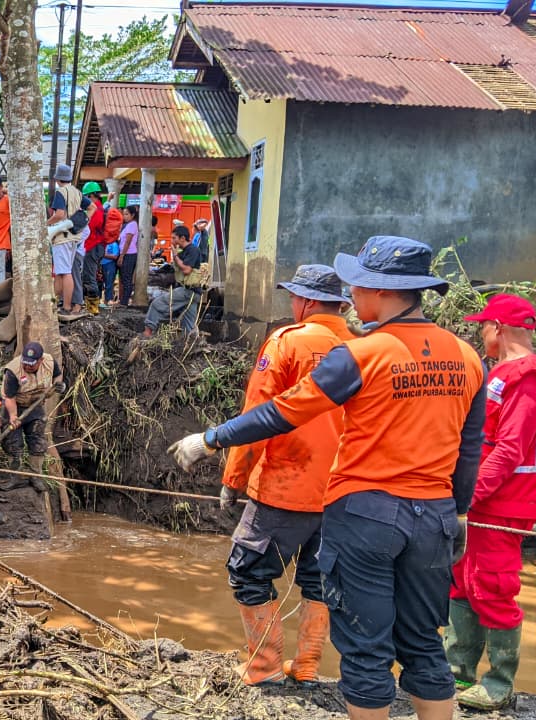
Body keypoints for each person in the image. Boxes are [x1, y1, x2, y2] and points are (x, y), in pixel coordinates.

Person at [169, 236, 486, 720]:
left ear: (379, 290)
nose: (351, 295)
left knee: (366, 650)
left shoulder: (364, 354)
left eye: (357, 285)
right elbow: (468, 448)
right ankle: (310, 664)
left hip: (367, 516)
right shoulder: (465, 356)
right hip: (435, 517)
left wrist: (210, 438)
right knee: (423, 645)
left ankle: (267, 667)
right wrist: (459, 512)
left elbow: (280, 413)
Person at [218, 265, 355, 686]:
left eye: (294, 297)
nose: (291, 305)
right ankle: (309, 666)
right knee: (321, 578)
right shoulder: (364, 348)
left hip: (285, 485)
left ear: (308, 301)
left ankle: (264, 667)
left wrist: (234, 478)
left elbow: (258, 416)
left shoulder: (286, 344)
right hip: (344, 491)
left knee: (248, 571)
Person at [446, 294, 536, 711]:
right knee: (461, 577)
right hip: (485, 498)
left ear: (500, 328)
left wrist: (468, 495)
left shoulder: (526, 376)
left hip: (506, 501)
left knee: (492, 584)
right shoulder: (504, 372)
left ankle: (499, 682)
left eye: (484, 326)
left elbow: (510, 449)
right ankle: (456, 670)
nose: (481, 333)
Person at [0, 342, 64, 491]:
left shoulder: (49, 361)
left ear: (40, 360)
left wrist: (58, 385)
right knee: (12, 443)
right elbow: (9, 398)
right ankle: (14, 477)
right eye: (25, 363)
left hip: (35, 405)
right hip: (13, 405)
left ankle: (36, 476)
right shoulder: (13, 371)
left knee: (38, 442)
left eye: (31, 364)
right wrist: (13, 417)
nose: (27, 366)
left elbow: (58, 376)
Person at [143, 225, 206, 337]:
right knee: (188, 324)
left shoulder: (193, 250)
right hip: (192, 293)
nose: (172, 241)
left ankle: (147, 332)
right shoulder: (184, 251)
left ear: (182, 238)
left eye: (174, 238)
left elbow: (186, 270)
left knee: (157, 304)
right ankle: (189, 344)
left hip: (188, 292)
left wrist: (175, 255)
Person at [48, 164, 81, 314]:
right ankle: (57, 303)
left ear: (57, 179)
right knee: (61, 271)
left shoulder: (60, 192)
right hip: (73, 235)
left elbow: (60, 214)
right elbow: (91, 207)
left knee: (65, 272)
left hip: (62, 236)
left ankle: (66, 306)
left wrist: (46, 225)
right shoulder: (77, 192)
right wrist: (79, 221)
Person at [80, 182, 107, 315]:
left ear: (91, 196)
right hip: (96, 247)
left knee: (89, 277)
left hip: (93, 246)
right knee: (89, 276)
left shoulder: (96, 210)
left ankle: (93, 309)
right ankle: (90, 306)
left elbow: (88, 228)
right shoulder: (100, 209)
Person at [118, 206, 141, 307]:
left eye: (127, 214)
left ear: (133, 215)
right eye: (124, 214)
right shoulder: (128, 225)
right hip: (126, 254)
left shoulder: (132, 225)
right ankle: (123, 301)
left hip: (129, 254)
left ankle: (124, 302)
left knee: (127, 278)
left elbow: (127, 242)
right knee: (124, 278)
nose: (124, 216)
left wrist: (122, 256)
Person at [101, 235, 120, 307]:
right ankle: (105, 300)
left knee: (109, 283)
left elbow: (115, 256)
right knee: (105, 283)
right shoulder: (104, 244)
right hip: (103, 264)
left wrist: (104, 255)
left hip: (110, 264)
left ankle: (109, 300)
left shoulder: (114, 244)